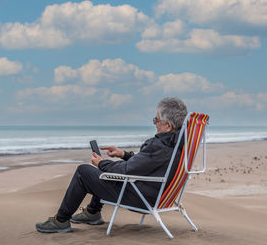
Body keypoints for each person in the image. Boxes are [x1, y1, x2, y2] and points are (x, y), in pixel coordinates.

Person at [36, 97, 188, 233]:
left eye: (156, 120)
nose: (155, 124)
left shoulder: (159, 146)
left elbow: (127, 170)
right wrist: (123, 154)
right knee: (107, 170)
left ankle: (61, 221)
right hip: (154, 193)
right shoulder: (176, 144)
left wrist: (102, 163)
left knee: (84, 171)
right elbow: (148, 163)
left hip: (141, 198)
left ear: (168, 125)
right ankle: (92, 213)